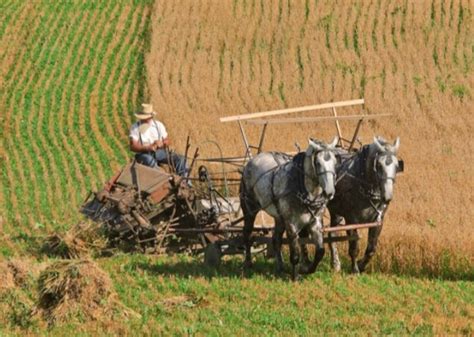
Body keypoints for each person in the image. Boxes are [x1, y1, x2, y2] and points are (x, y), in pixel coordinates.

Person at [129, 103, 188, 177]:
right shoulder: (135, 127)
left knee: (181, 159)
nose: (144, 119)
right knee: (149, 161)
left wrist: (162, 143)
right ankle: (164, 179)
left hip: (159, 152)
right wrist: (148, 147)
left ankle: (185, 182)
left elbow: (167, 140)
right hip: (143, 154)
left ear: (151, 117)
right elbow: (133, 146)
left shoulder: (159, 125)